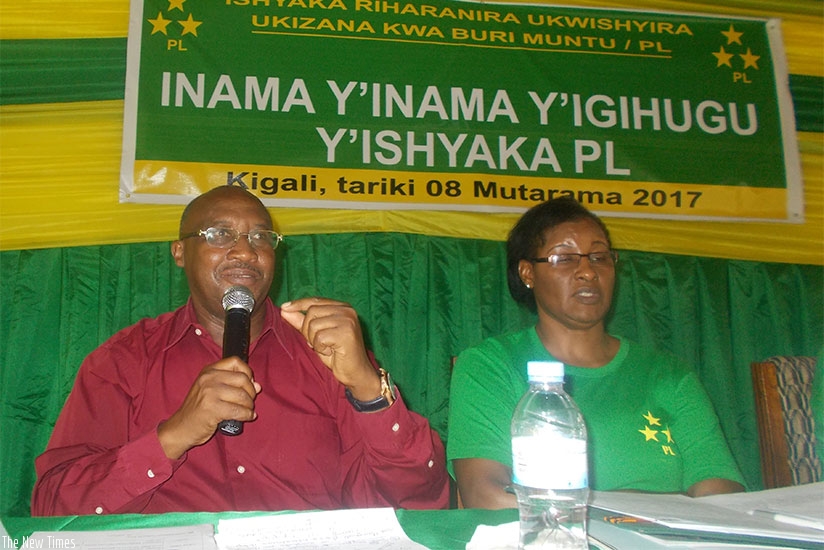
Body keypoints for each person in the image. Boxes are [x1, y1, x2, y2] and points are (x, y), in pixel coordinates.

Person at [32, 185, 449, 516]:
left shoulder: (325, 352)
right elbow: (53, 509)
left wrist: (368, 389)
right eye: (220, 234)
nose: (246, 251)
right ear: (179, 252)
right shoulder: (123, 361)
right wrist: (173, 436)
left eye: (260, 237)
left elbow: (419, 501)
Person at [447, 197, 745, 509]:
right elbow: (487, 497)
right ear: (527, 273)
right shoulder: (489, 365)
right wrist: (655, 507)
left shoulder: (669, 375)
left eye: (600, 257)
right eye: (565, 258)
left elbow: (722, 494)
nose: (588, 272)